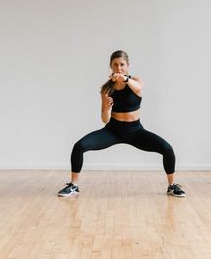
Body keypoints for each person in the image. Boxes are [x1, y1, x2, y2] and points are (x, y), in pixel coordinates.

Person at [58, 50, 186, 197]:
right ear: (111, 67)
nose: (119, 68)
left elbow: (138, 88)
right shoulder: (107, 88)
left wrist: (125, 79)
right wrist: (106, 106)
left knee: (167, 149)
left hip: (136, 131)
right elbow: (105, 119)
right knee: (79, 146)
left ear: (128, 65)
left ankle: (172, 186)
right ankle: (74, 185)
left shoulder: (136, 81)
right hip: (113, 131)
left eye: (122, 64)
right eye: (115, 65)